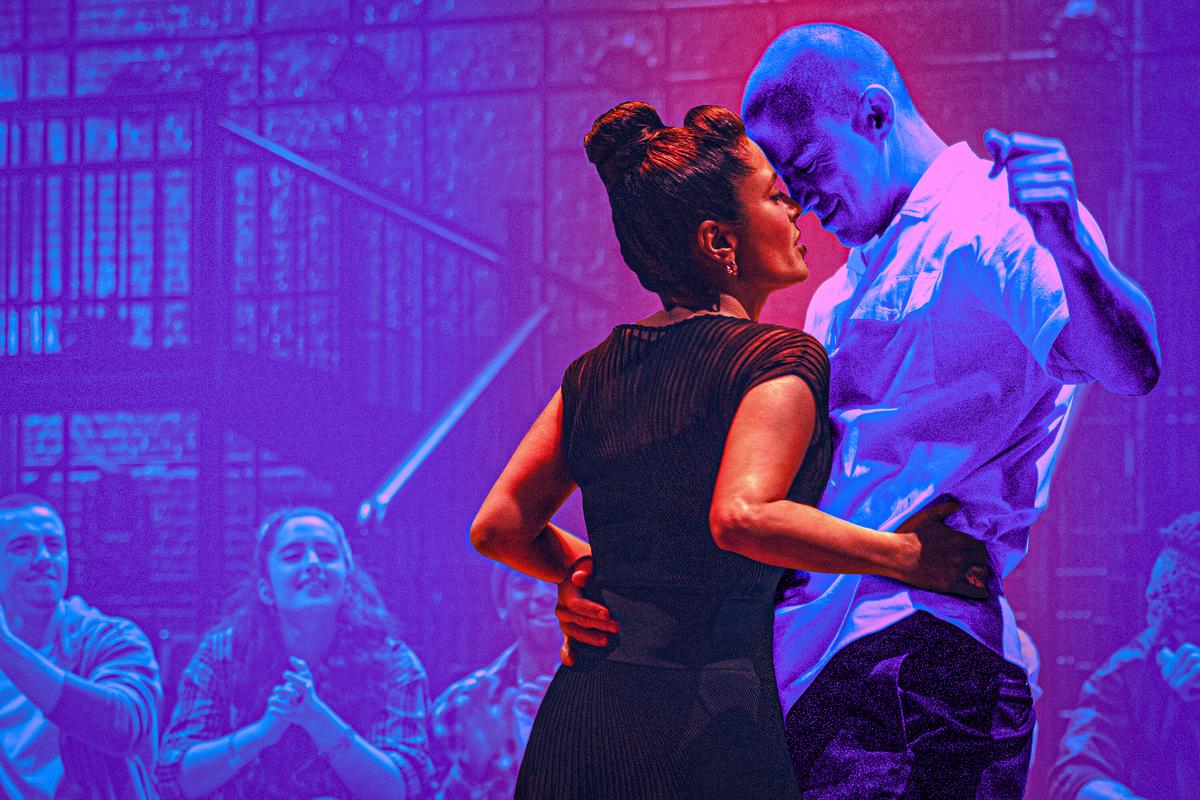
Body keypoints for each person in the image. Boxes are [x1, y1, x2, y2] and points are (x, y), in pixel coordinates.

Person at [558, 23, 1161, 799]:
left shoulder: (990, 217)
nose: (801, 201)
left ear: (874, 115)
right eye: (783, 182)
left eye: (807, 165)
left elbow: (1130, 366)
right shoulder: (837, 295)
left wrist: (1068, 244)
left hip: (918, 659)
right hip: (820, 669)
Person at [470, 100, 991, 800]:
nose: (796, 210)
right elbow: (742, 516)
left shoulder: (591, 373)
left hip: (583, 718)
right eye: (775, 197)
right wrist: (908, 556)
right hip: (705, 721)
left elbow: (499, 527)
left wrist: (589, 572)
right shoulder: (778, 359)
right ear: (720, 242)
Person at [157, 506, 433, 799]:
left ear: (348, 587)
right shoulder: (222, 654)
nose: (313, 563)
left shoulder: (393, 662)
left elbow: (403, 790)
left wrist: (316, 718)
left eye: (327, 554)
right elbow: (173, 779)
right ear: (266, 590)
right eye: (293, 556)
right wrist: (261, 734)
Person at [0, 492, 160, 799]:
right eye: (22, 547)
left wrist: (8, 652)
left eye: (54, 545)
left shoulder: (111, 639)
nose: (43, 558)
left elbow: (123, 727)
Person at [1048, 511, 1200, 800]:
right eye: (1158, 611)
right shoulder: (1126, 673)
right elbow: (1076, 776)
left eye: (1186, 623)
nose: (1162, 640)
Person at [430, 565, 559, 799]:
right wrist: (473, 769)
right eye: (524, 583)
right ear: (502, 604)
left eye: (558, 580)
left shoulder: (618, 699)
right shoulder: (458, 707)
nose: (544, 594)